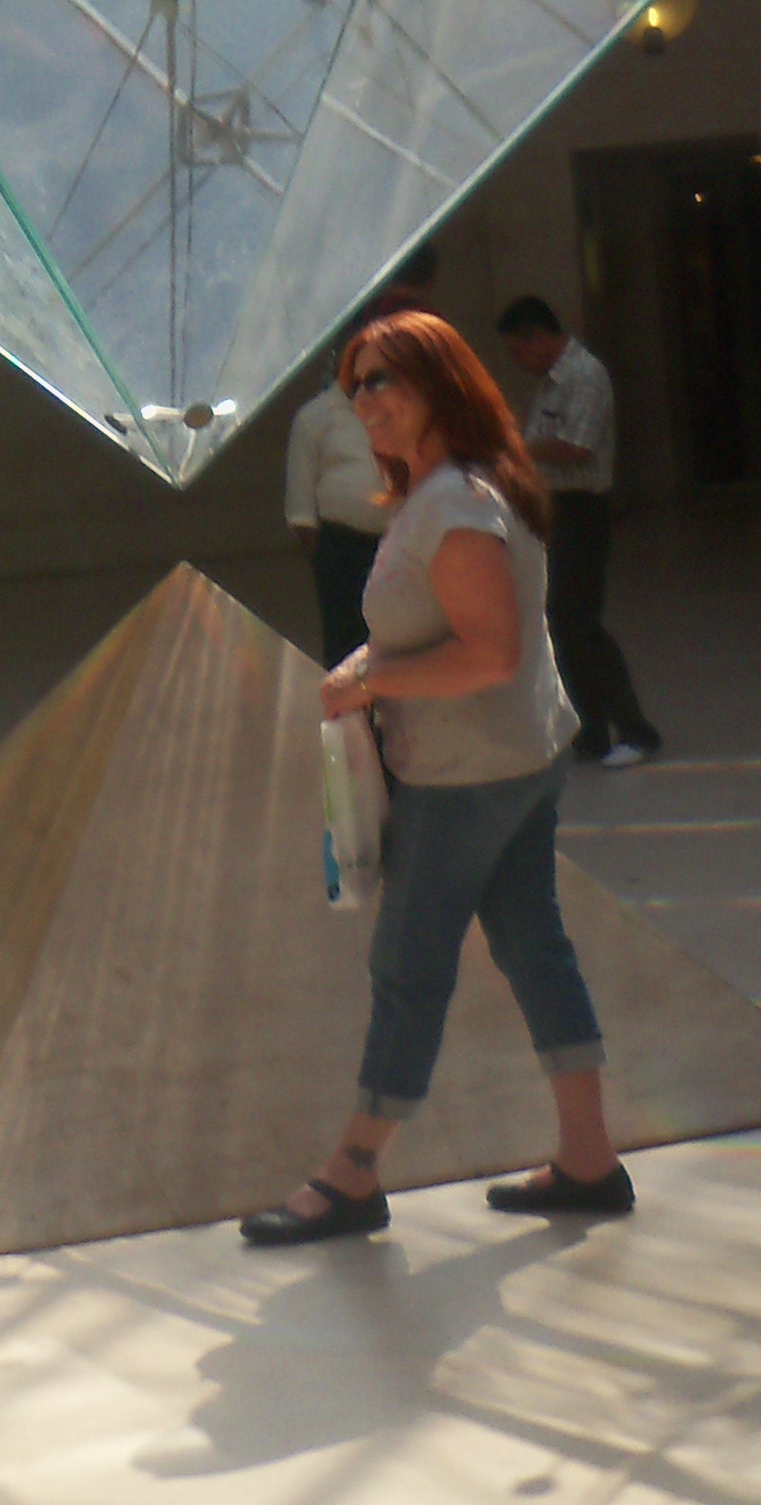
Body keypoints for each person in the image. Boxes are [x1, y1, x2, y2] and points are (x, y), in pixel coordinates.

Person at [241, 311, 626, 1247]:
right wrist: (367, 667)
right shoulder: (463, 486)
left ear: (440, 383)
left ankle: (352, 1174)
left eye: (384, 379)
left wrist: (368, 681)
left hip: (466, 775)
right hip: (517, 757)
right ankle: (588, 1159)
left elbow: (487, 654)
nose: (364, 400)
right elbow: (448, 632)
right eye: (355, 384)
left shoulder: (453, 504)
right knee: (534, 946)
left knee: (408, 968)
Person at [498, 295, 661, 770]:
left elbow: (576, 447)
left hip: (581, 511)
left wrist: (516, 448)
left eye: (519, 350)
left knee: (579, 621)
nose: (519, 362)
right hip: (554, 509)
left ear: (537, 337)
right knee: (560, 622)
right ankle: (591, 730)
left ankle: (635, 729)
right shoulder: (553, 383)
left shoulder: (585, 376)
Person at [285, 279, 415, 665]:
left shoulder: (402, 408)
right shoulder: (315, 417)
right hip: (342, 552)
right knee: (348, 650)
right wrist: (330, 561)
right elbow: (301, 511)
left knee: (405, 644)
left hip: (402, 544)